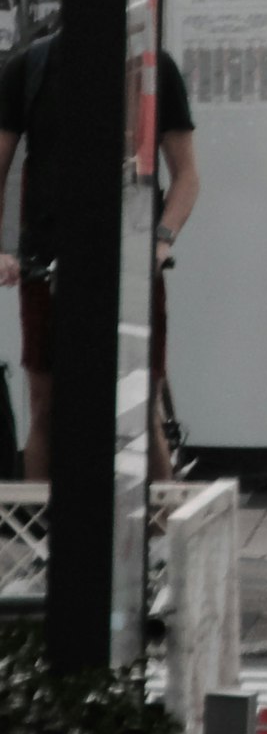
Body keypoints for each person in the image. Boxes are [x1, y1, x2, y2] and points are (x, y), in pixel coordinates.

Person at [0, 31, 200, 481]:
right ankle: (46, 539)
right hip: (47, 262)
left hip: (131, 264)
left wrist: (161, 241)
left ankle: (156, 541)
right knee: (46, 407)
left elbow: (186, 174)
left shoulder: (152, 69)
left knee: (140, 408)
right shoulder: (29, 69)